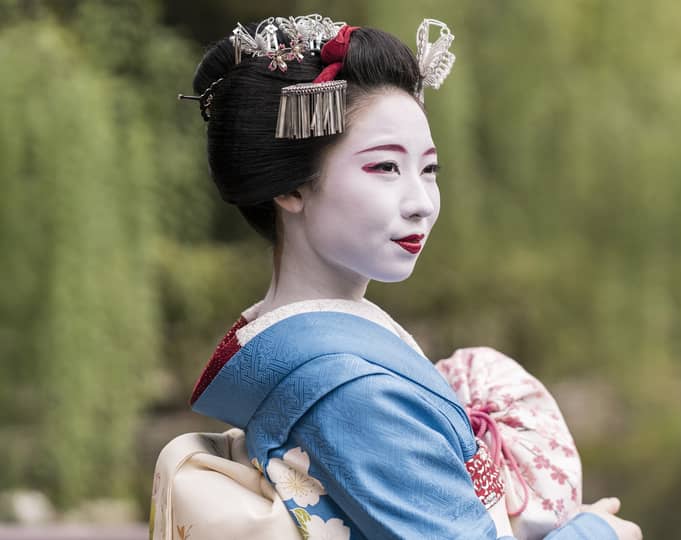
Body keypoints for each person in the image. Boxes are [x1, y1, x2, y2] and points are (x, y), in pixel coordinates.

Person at [181, 13, 642, 540]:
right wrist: (598, 532)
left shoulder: (325, 363)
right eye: (385, 167)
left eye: (429, 170)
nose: (421, 203)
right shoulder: (348, 389)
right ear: (291, 187)